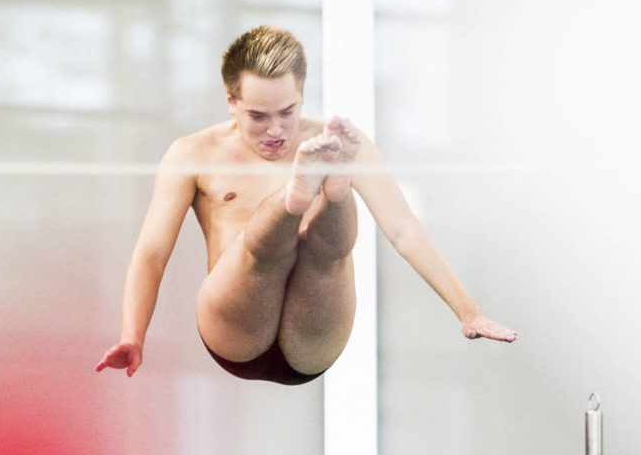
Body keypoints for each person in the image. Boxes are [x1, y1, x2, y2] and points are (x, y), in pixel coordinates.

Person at [97, 26, 515, 385]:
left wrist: (468, 312)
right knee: (259, 250)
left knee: (328, 252)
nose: (275, 131)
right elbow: (152, 253)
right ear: (231, 102)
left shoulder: (337, 141)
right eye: (258, 117)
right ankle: (296, 199)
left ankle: (333, 191)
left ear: (302, 94)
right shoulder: (194, 153)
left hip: (313, 339)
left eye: (287, 112)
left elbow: (402, 227)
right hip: (236, 330)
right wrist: (133, 336)